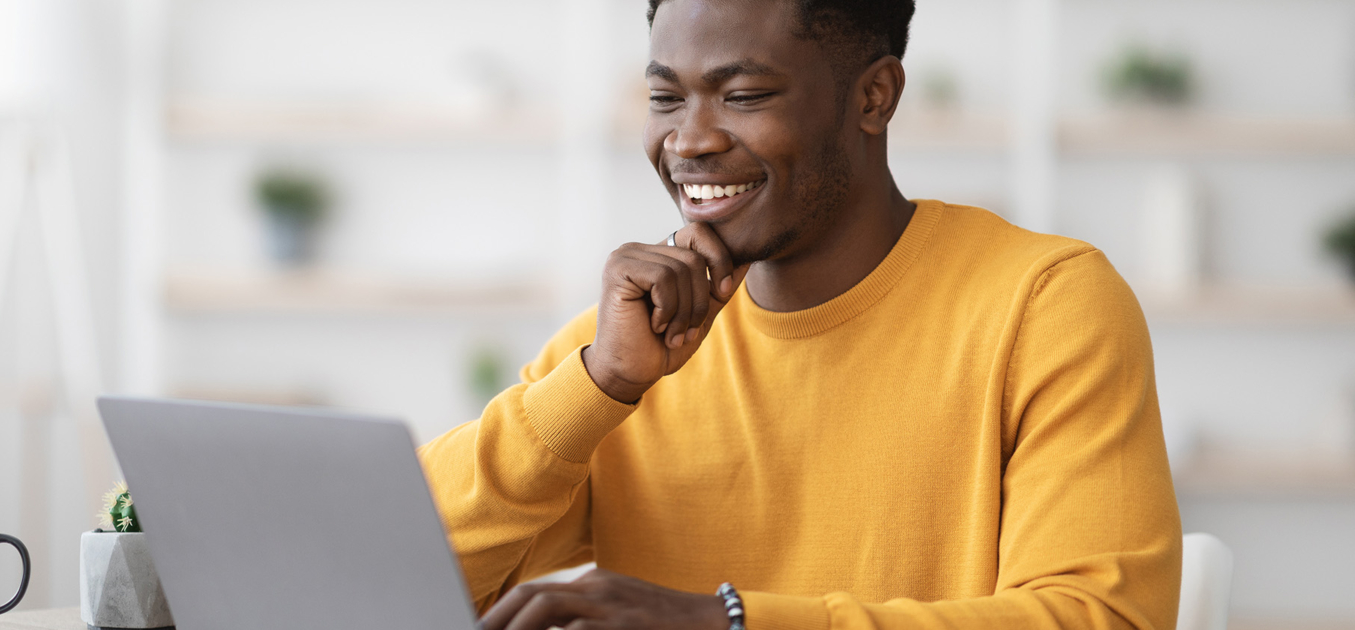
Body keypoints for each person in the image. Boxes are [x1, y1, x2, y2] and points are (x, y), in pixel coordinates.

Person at [418, 0, 1182, 628]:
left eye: (743, 96)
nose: (689, 140)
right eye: (664, 97)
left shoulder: (1046, 303)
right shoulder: (625, 349)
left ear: (874, 97)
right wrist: (596, 385)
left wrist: (728, 620)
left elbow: (1101, 615)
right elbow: (396, 577)